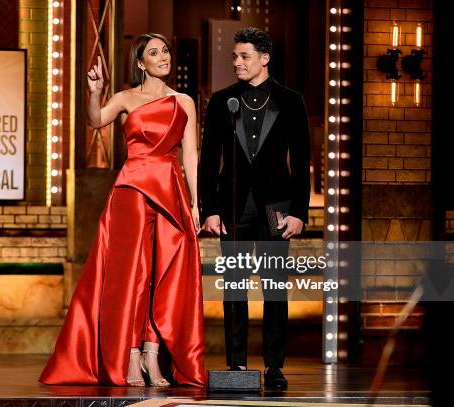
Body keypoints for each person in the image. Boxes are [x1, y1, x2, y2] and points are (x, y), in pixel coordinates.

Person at [39, 33, 206, 387]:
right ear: (140, 62)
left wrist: (195, 203)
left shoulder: (184, 102)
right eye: (154, 52)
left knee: (163, 276)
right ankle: (129, 356)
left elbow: (190, 156)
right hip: (131, 191)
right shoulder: (126, 98)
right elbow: (96, 120)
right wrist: (95, 91)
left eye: (166, 51)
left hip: (170, 193)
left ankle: (152, 354)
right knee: (132, 276)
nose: (163, 57)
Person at [200, 28, 310, 390]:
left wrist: (299, 211)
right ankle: (236, 366)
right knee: (234, 290)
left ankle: (274, 367)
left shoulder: (291, 101)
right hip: (232, 208)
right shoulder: (221, 101)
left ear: (264, 58)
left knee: (275, 289)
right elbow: (207, 161)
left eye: (244, 56)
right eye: (234, 56)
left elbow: (302, 160)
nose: (236, 62)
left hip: (276, 208)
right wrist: (209, 209)